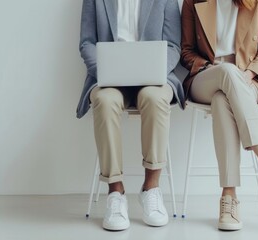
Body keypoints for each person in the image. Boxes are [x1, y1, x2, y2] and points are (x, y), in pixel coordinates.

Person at [181, 0, 258, 231]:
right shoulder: (192, 1)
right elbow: (186, 51)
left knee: (221, 99)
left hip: (248, 78)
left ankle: (229, 197)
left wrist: (247, 74)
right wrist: (210, 68)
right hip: (207, 76)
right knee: (226, 72)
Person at [76, 0, 184, 231]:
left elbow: (174, 46)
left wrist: (152, 70)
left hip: (154, 78)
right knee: (104, 101)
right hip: (109, 78)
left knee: (155, 99)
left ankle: (151, 188)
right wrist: (107, 70)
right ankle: (115, 193)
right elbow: (87, 43)